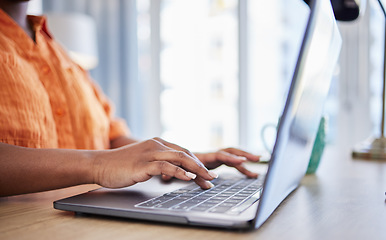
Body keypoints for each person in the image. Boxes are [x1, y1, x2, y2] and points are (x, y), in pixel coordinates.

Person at [0, 0, 260, 197]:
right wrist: (98, 165)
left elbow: (112, 137)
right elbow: (105, 161)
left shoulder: (61, 54)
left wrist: (178, 160)